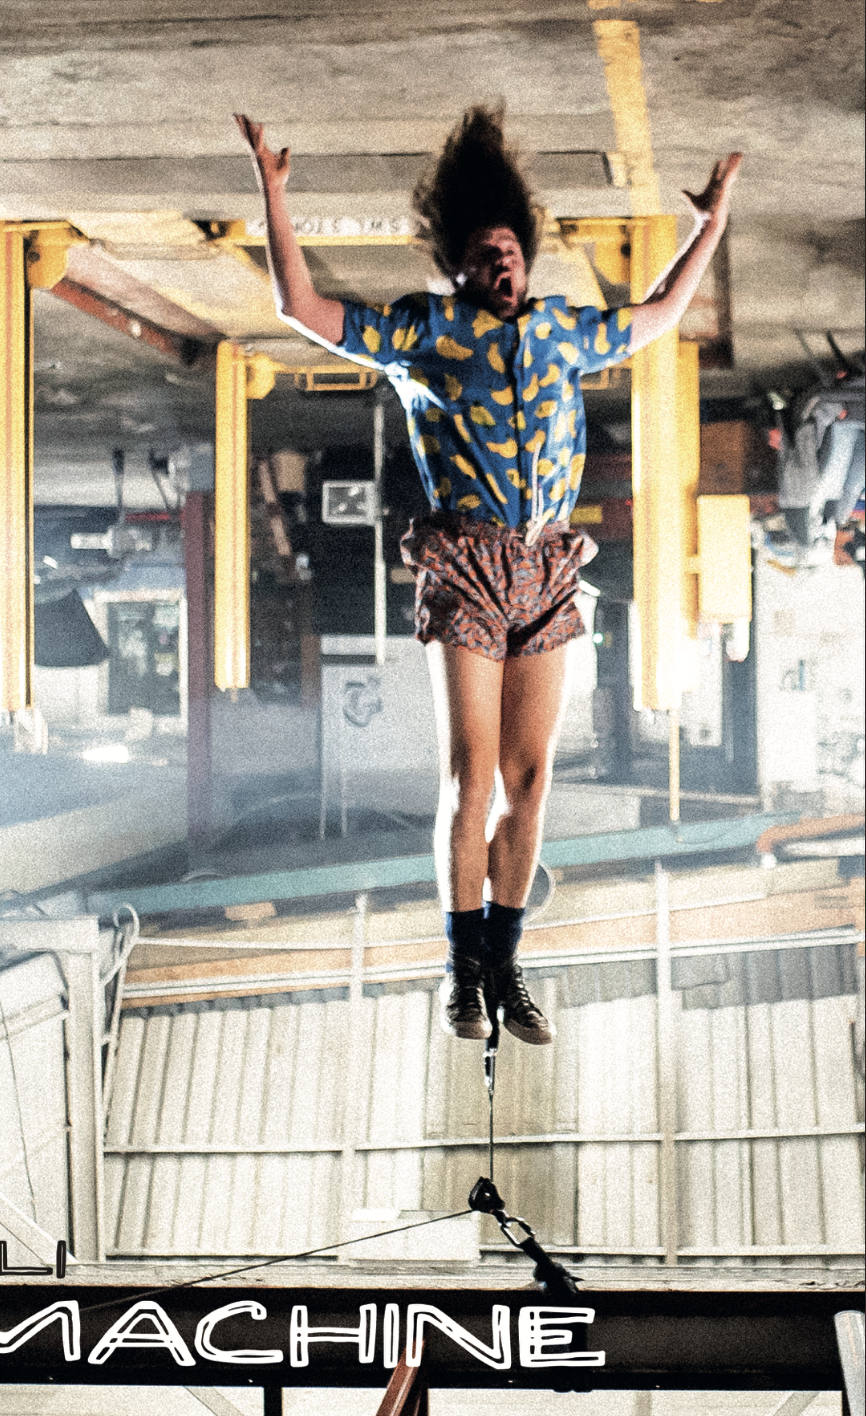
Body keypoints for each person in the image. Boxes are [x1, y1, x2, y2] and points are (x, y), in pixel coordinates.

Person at [237, 106, 742, 1045]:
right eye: (484, 253)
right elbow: (299, 309)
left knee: (531, 778)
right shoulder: (426, 332)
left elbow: (663, 314)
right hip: (469, 563)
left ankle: (507, 965)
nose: (502, 261)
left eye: (511, 249)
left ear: (528, 260)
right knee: (473, 777)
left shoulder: (564, 331)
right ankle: (460, 970)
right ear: (459, 268)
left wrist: (709, 224)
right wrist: (273, 190)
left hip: (547, 565)